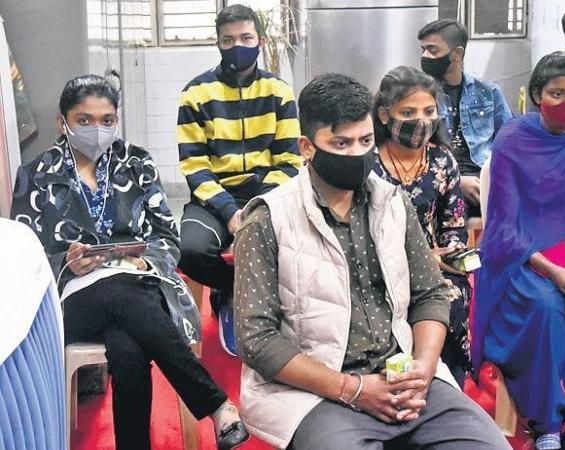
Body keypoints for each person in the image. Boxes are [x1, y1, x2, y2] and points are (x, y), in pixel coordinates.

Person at [232, 73, 510, 450]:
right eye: (340, 143)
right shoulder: (268, 219)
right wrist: (354, 389)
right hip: (316, 391)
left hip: (402, 377)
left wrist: (424, 368)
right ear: (306, 147)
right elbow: (257, 341)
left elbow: (429, 294)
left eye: (364, 141)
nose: (356, 154)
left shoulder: (393, 203)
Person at [10, 75, 248, 450]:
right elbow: (23, 258)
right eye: (84, 120)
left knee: (127, 345)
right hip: (74, 298)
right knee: (119, 295)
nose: (97, 129)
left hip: (140, 284)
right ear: (63, 123)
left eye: (107, 120)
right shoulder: (36, 174)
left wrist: (145, 262)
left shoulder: (136, 162)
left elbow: (167, 238)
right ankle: (215, 403)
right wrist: (66, 263)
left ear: (117, 120)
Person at [473, 52, 565, 450]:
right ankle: (547, 422)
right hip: (519, 251)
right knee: (545, 306)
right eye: (557, 93)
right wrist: (550, 270)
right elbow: (504, 222)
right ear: (537, 95)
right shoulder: (512, 140)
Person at [176, 3, 302, 356]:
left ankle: (267, 306)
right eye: (228, 40)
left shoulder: (279, 92)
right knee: (189, 250)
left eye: (245, 38)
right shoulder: (195, 93)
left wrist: (255, 206)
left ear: (260, 41)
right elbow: (194, 165)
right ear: (217, 43)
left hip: (268, 193)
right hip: (214, 196)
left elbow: (290, 161)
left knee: (298, 249)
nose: (237, 46)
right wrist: (229, 210)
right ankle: (233, 290)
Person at [371, 66, 472, 387]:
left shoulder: (443, 160)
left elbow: (454, 226)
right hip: (378, 265)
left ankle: (443, 385)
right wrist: (422, 257)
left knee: (453, 297)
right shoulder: (367, 164)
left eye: (429, 111)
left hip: (435, 268)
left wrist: (453, 253)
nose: (422, 121)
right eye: (409, 112)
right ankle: (394, 384)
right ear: (385, 116)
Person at [417, 19, 513, 221]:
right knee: (450, 215)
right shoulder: (421, 96)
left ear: (457, 54)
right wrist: (457, 180)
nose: (425, 56)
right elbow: (416, 153)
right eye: (423, 49)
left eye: (433, 50)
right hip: (441, 178)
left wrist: (491, 180)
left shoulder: (489, 92)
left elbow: (510, 144)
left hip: (486, 176)